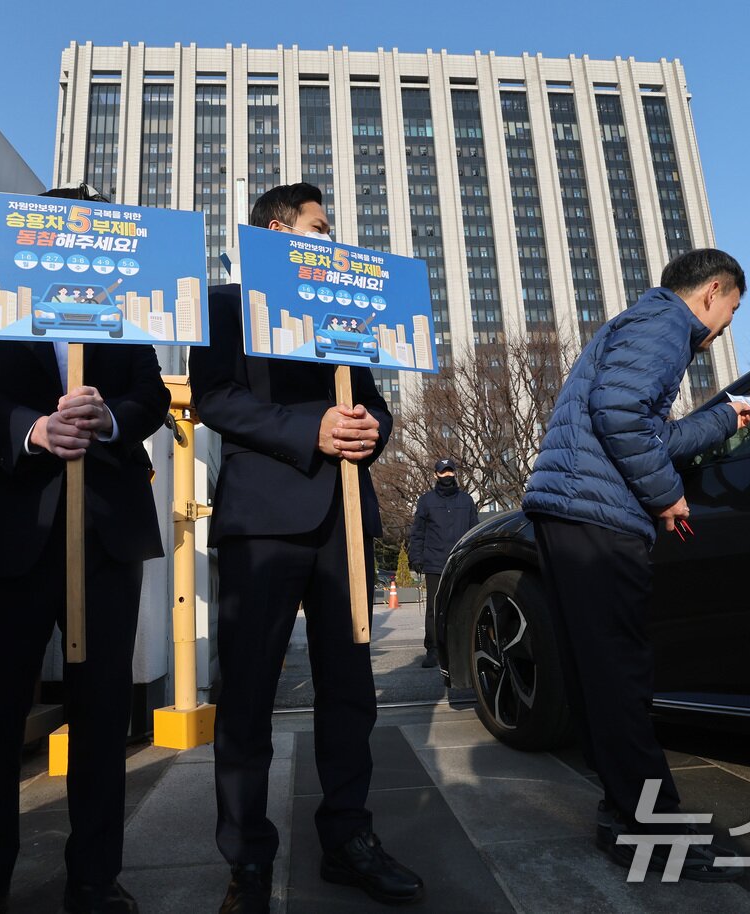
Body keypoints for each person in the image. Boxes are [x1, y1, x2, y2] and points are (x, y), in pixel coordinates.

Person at [190, 182, 424, 913]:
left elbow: (372, 402)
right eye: (319, 227)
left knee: (349, 691)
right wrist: (309, 429)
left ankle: (349, 837)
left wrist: (371, 429)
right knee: (248, 695)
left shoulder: (348, 312)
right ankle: (247, 860)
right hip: (263, 522)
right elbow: (214, 397)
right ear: (275, 229)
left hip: (345, 520)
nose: (330, 238)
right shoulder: (224, 304)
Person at [521, 248, 750, 882]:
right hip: (597, 519)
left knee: (599, 675)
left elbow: (645, 430)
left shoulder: (644, 324)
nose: (725, 327)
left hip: (574, 512)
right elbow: (621, 413)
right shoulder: (665, 323)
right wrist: (665, 495)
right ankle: (653, 831)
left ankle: (624, 817)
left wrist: (725, 417)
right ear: (712, 291)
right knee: (620, 675)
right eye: (732, 311)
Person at [0, 190, 171, 914]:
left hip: (107, 533)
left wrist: (111, 417)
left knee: (102, 714)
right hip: (14, 534)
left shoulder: (123, 312)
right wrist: (32, 430)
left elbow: (152, 393)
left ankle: (93, 879)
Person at [407, 457, 478, 668]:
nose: (447, 475)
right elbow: (417, 532)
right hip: (434, 562)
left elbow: (474, 531)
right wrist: (416, 557)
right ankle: (433, 649)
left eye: (450, 471)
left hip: (460, 561)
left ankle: (462, 648)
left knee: (463, 605)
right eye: (443, 472)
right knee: (434, 608)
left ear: (455, 473)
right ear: (436, 475)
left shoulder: (466, 500)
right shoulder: (426, 501)